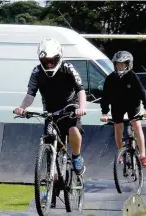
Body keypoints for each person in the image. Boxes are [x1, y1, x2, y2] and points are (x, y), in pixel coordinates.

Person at [14, 38, 87, 175]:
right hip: (50, 112)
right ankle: (51, 176)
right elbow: (30, 94)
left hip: (70, 109)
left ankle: (76, 157)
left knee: (73, 131)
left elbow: (80, 90)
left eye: (52, 60)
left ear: (58, 57)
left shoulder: (68, 68)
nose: (49, 64)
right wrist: (22, 108)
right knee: (48, 139)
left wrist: (81, 107)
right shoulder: (36, 72)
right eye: (45, 61)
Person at [100, 50, 146, 166]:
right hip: (117, 105)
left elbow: (142, 93)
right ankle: (121, 151)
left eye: (122, 64)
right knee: (118, 126)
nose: (120, 66)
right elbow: (105, 97)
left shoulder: (132, 76)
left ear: (128, 64)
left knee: (136, 125)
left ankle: (143, 154)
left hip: (133, 104)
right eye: (117, 64)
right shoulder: (110, 78)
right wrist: (104, 113)